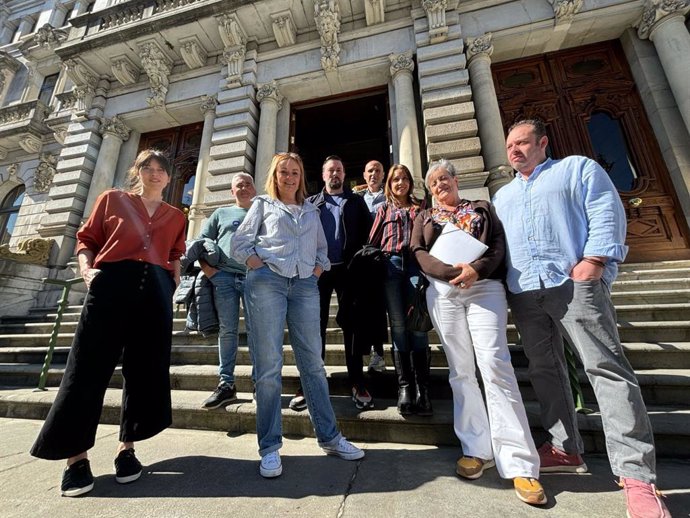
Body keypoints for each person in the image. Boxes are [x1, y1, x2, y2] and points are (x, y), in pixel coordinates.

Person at [492, 119, 671, 518]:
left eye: (522, 143)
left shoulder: (577, 169)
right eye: (510, 146)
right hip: (524, 291)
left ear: (542, 143)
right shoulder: (502, 196)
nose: (515, 151)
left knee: (606, 370)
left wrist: (594, 260)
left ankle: (638, 477)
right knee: (544, 370)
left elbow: (605, 211)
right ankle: (563, 448)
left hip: (573, 283)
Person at [30, 149, 186, 496]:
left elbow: (176, 252)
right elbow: (86, 239)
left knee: (145, 371)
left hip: (155, 292)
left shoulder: (177, 216)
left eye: (162, 169)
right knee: (86, 368)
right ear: (138, 171)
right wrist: (87, 271)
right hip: (111, 284)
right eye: (149, 167)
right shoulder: (112, 199)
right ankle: (76, 459)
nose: (155, 174)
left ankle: (127, 449)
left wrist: (173, 278)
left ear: (170, 177)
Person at [411, 159, 547, 506]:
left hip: (484, 287)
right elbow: (418, 252)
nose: (440, 185)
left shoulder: (483, 208)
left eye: (445, 179)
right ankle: (476, 449)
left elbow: (499, 246)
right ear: (429, 190)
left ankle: (520, 463)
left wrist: (475, 269)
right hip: (443, 293)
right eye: (434, 183)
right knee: (461, 371)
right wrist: (448, 273)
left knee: (495, 365)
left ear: (456, 181)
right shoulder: (424, 217)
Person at [230, 151, 364, 478]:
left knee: (314, 364)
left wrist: (318, 270)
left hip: (305, 285)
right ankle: (270, 447)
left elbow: (322, 249)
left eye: (295, 172)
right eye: (283, 172)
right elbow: (238, 244)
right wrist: (257, 266)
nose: (289, 177)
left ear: (301, 176)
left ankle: (330, 437)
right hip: (267, 283)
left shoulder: (311, 209)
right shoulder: (262, 204)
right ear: (274, 176)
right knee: (268, 365)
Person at [305, 155, 374, 410]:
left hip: (348, 271)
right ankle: (311, 383)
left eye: (339, 170)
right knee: (315, 327)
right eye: (330, 170)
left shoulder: (356, 202)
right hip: (318, 272)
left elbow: (369, 234)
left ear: (344, 175)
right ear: (323, 175)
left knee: (352, 327)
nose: (335, 174)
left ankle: (357, 381)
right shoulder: (311, 203)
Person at [368, 164, 432, 416]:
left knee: (417, 325)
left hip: (416, 267)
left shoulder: (421, 207)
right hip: (391, 267)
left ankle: (423, 391)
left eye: (404, 178)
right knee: (397, 326)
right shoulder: (383, 209)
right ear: (390, 183)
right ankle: (405, 387)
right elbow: (372, 242)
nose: (400, 182)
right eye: (395, 179)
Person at [197, 173, 257, 409]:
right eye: (238, 185)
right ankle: (226, 384)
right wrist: (209, 271)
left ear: (254, 188)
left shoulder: (262, 211)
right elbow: (199, 242)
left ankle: (259, 383)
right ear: (232, 192)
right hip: (224, 279)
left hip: (255, 279)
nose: (243, 188)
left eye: (247, 184)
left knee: (257, 333)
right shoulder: (221, 213)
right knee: (227, 331)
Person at [354, 159, 387, 373]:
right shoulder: (357, 200)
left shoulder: (389, 197)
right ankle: (366, 351)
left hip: (384, 256)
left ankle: (380, 353)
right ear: (364, 176)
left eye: (377, 171)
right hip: (362, 259)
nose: (373, 174)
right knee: (364, 307)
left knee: (381, 306)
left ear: (383, 175)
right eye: (370, 171)